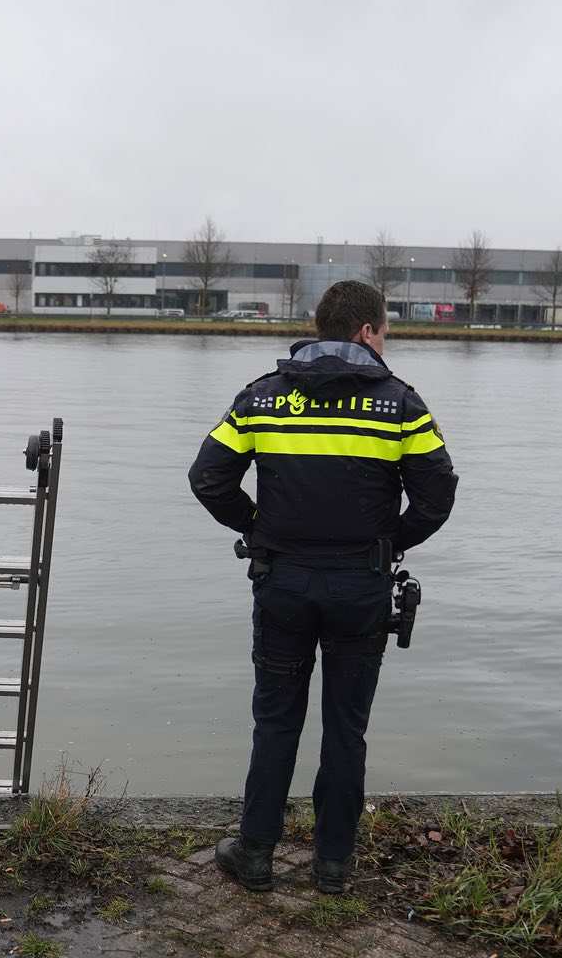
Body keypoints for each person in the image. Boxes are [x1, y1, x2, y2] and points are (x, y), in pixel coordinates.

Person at [187, 280, 457, 893]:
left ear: (318, 323)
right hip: (360, 586)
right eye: (386, 330)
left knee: (276, 721)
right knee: (345, 727)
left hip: (281, 580)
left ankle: (255, 853)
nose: (387, 342)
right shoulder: (402, 406)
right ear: (367, 330)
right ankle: (333, 865)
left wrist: (256, 526)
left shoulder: (262, 399)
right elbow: (438, 496)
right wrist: (389, 542)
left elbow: (208, 478)